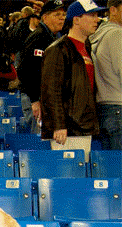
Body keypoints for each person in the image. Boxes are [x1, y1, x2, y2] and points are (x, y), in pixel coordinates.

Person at [40, 0, 106, 162]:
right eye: (92, 15)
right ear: (76, 20)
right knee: (69, 177)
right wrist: (58, 125)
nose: (96, 20)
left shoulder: (86, 47)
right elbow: (51, 90)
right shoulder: (57, 49)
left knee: (80, 173)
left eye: (97, 15)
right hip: (67, 128)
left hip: (83, 124)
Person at [18, 0, 66, 134]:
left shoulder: (55, 37)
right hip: (36, 98)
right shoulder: (38, 37)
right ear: (45, 17)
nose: (62, 18)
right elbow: (25, 71)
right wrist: (34, 100)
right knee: (40, 140)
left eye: (63, 14)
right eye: (57, 15)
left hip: (47, 98)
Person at [89, 0, 122, 150]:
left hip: (105, 108)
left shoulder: (98, 35)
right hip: (118, 108)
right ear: (113, 10)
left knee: (111, 168)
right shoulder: (116, 34)